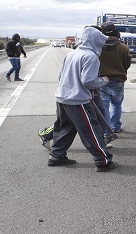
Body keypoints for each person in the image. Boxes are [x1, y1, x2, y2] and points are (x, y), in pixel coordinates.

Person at [48, 25, 118, 172]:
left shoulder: (72, 54)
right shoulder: (91, 57)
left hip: (62, 98)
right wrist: (103, 80)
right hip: (78, 101)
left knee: (64, 128)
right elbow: (88, 81)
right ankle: (103, 161)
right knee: (91, 131)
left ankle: (56, 156)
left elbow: (61, 76)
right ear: (96, 42)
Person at [99, 22, 132, 134]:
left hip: (101, 80)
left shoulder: (98, 47)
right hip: (118, 80)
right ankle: (116, 126)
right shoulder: (124, 47)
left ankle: (107, 131)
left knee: (104, 106)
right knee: (117, 104)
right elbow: (128, 64)